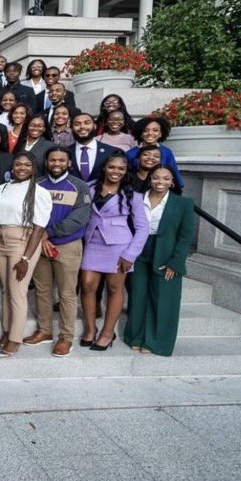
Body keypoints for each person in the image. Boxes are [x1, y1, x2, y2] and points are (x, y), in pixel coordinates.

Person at [23, 146, 91, 357]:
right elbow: (27, 211)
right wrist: (40, 237)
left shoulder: (79, 186)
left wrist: (47, 234)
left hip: (67, 245)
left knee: (67, 294)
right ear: (47, 162)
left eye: (61, 160)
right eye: (52, 160)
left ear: (69, 163)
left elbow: (78, 219)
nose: (57, 164)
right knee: (42, 290)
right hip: (39, 244)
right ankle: (44, 331)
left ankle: (66, 337)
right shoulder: (36, 184)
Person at [123, 165, 195, 356]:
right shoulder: (138, 199)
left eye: (166, 178)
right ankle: (135, 337)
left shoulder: (183, 203)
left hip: (166, 253)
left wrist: (176, 262)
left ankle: (157, 342)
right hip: (139, 249)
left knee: (163, 299)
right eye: (156, 178)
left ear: (172, 182)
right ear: (150, 179)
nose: (160, 182)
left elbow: (186, 236)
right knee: (138, 295)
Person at [80, 152, 149, 351]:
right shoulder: (89, 187)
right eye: (112, 167)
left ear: (126, 171)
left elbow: (142, 227)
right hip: (93, 242)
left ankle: (108, 332)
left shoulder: (133, 195)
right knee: (87, 286)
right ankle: (90, 329)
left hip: (119, 247)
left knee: (114, 289)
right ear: (104, 167)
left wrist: (130, 254)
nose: (115, 171)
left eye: (121, 168)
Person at [0, 151, 53, 357]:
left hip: (23, 241)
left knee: (17, 291)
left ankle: (15, 339)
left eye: (27, 165)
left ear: (33, 168)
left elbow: (38, 227)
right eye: (18, 164)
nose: (22, 168)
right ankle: (7, 331)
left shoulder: (39, 192)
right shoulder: (2, 188)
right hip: (1, 240)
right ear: (12, 166)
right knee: (6, 290)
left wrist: (26, 258)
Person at [127, 116, 185, 190]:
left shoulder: (167, 152)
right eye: (146, 130)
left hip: (161, 190)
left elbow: (175, 174)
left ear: (160, 133)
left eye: (155, 130)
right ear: (141, 133)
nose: (150, 133)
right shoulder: (130, 154)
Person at [68, 113, 120, 183]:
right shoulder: (65, 152)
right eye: (77, 124)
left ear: (95, 126)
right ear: (71, 129)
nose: (82, 127)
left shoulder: (111, 151)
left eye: (87, 123)